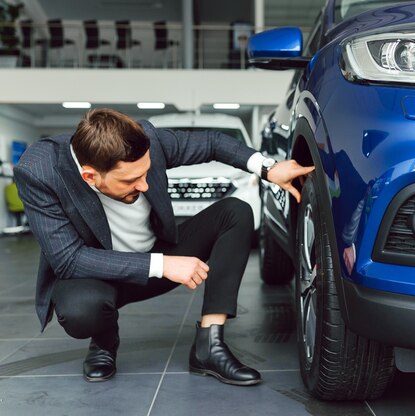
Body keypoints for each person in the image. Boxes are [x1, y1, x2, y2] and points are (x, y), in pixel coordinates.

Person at [13, 108, 314, 385]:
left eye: (146, 173)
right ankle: (104, 340)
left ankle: (209, 344)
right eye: (132, 179)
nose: (144, 185)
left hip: (158, 254)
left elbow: (211, 143)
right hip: (99, 276)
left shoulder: (150, 141)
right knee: (81, 311)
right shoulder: (40, 170)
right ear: (90, 176)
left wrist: (267, 169)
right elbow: (68, 260)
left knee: (235, 211)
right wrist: (163, 265)